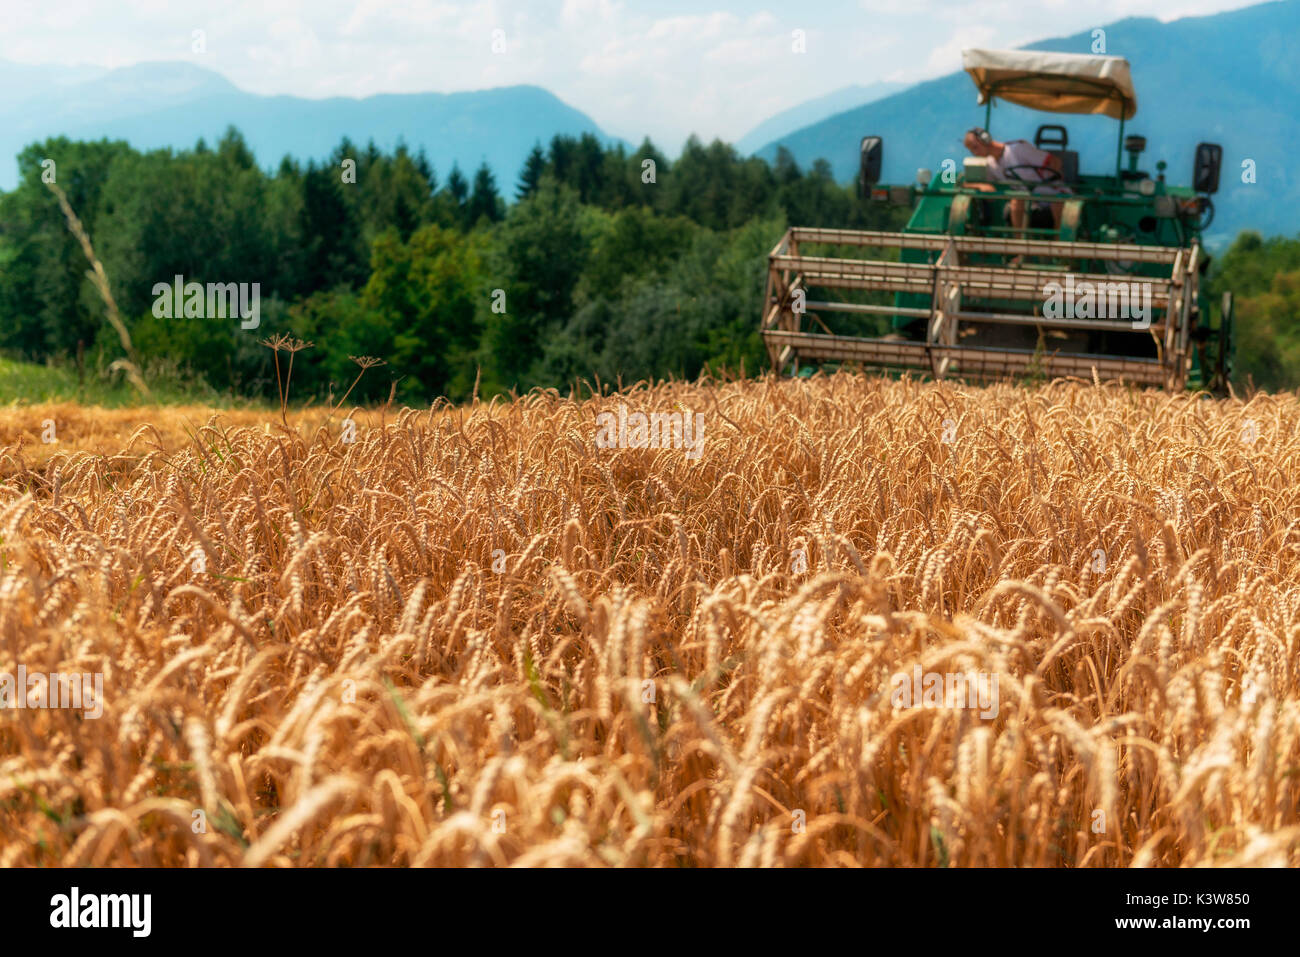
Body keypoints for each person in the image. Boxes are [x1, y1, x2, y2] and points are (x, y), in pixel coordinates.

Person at [962, 127, 1067, 234]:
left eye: (975, 147)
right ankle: (1019, 246)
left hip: (1054, 194)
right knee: (1017, 200)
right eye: (971, 150)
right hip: (1030, 201)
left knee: (1058, 203)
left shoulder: (1018, 149)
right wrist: (980, 186)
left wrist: (1048, 177)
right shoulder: (990, 164)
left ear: (985, 139)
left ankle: (1059, 245)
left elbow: (1055, 162)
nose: (975, 153)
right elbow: (976, 186)